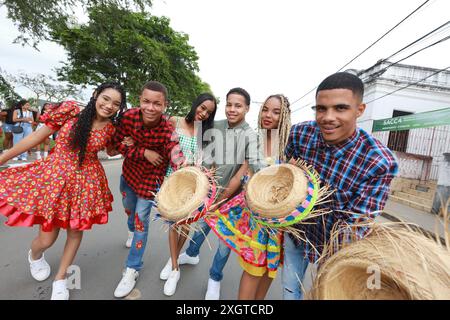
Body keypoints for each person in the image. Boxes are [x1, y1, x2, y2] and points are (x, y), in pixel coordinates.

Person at [0, 82, 127, 300]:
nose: (109, 106)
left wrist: (124, 143)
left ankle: (61, 278)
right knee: (47, 239)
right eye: (106, 98)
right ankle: (35, 255)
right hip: (54, 179)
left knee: (75, 231)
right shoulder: (71, 111)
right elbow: (36, 137)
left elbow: (111, 149)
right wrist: (3, 158)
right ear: (96, 95)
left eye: (116, 103)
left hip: (86, 183)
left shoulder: (111, 129)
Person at [282, 72, 399, 299]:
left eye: (340, 108)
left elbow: (357, 227)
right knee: (290, 289)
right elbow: (285, 174)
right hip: (296, 233)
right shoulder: (299, 134)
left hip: (333, 250)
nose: (328, 117)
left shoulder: (379, 162)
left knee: (323, 293)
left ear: (360, 110)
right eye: (321, 109)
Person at [177, 87, 266, 300]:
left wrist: (265, 176)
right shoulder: (213, 126)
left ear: (246, 108)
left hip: (231, 199)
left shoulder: (250, 136)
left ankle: (214, 278)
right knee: (201, 227)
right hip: (206, 191)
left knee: (224, 243)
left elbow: (257, 163)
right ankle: (191, 254)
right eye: (229, 104)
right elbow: (192, 135)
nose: (232, 109)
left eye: (238, 105)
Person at [209, 94, 292, 300]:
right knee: (253, 269)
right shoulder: (255, 139)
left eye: (275, 111)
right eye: (265, 109)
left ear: (284, 117)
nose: (268, 115)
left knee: (269, 268)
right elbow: (241, 174)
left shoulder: (290, 145)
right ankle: (214, 278)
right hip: (254, 217)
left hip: (278, 220)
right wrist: (219, 200)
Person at [111, 81, 185, 299]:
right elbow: (116, 144)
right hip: (129, 175)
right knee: (129, 211)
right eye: (146, 102)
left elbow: (174, 150)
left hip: (150, 183)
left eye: (157, 104)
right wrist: (143, 152)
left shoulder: (167, 129)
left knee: (141, 223)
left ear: (165, 105)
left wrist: (184, 166)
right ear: (139, 100)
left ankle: (132, 268)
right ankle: (130, 229)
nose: (151, 108)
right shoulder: (128, 117)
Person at [158, 93, 217, 296]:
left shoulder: (205, 132)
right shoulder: (175, 121)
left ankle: (172, 262)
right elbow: (163, 144)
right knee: (174, 224)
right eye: (202, 108)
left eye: (208, 112)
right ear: (195, 105)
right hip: (172, 181)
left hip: (194, 185)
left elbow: (206, 159)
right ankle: (175, 268)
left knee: (186, 225)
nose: (203, 114)